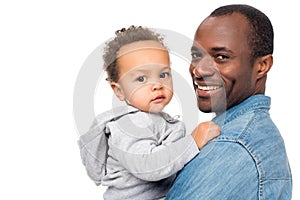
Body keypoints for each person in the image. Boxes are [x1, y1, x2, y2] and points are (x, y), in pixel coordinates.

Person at [78, 25, 220, 200]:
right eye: (141, 78)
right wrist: (193, 142)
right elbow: (147, 165)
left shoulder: (157, 120)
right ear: (119, 91)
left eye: (163, 75)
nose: (157, 85)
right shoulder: (128, 124)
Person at [166, 4, 292, 199]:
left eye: (221, 57)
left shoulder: (232, 144)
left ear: (262, 66)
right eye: (196, 55)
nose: (199, 70)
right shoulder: (257, 135)